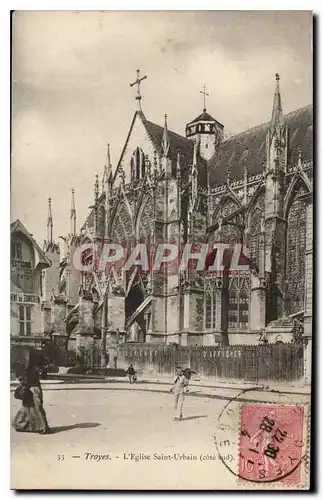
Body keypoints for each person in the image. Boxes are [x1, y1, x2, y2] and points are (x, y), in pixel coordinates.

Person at [12, 360, 50, 435]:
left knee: (33, 406)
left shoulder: (36, 364)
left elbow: (43, 375)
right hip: (30, 387)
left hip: (34, 386)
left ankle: (21, 424)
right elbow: (20, 376)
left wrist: (42, 370)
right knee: (31, 406)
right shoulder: (23, 366)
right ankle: (42, 427)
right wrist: (23, 379)